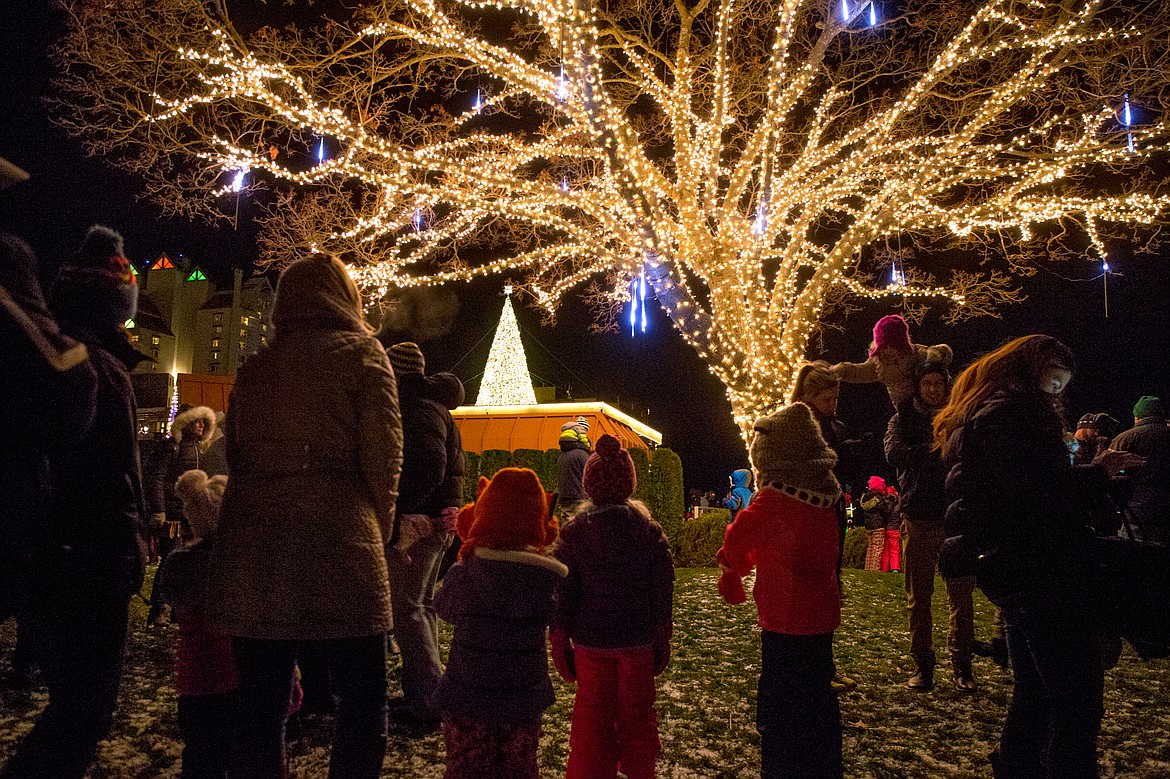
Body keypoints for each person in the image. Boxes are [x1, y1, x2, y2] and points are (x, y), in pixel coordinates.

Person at [206, 255, 403, 779]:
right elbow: (384, 457)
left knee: (260, 706)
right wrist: (374, 530)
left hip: (256, 540)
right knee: (362, 699)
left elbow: (237, 454)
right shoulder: (364, 355)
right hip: (339, 536)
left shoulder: (257, 367)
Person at [935, 335, 1143, 778]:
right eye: (1052, 381)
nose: (1057, 393)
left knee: (1036, 690)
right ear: (1032, 373)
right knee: (1077, 699)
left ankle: (1016, 767)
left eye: (1062, 384)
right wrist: (1098, 475)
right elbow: (1037, 495)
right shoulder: (1014, 414)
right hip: (1041, 568)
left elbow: (1027, 487)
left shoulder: (989, 411)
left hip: (1016, 567)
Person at [2, 226, 150, 779]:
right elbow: (105, 477)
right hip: (86, 559)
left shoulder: (62, 360)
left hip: (61, 555)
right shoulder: (93, 370)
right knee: (83, 710)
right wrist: (126, 544)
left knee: (74, 705)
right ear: (118, 304)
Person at [717, 402, 844, 779]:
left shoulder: (773, 499)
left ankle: (783, 764)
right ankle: (824, 763)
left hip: (784, 617)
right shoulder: (826, 496)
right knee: (819, 695)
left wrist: (732, 567)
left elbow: (738, 536)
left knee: (780, 698)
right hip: (821, 615)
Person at [551, 434, 674, 779]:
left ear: (589, 485)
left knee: (592, 716)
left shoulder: (574, 534)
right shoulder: (649, 534)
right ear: (629, 483)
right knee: (638, 717)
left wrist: (559, 637)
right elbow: (661, 593)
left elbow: (564, 591)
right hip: (637, 642)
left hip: (591, 644)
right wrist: (661, 637)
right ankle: (640, 770)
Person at [434, 467, 566, 778]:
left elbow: (443, 609)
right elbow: (556, 616)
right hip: (523, 697)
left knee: (466, 766)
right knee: (518, 766)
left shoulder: (465, 573)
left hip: (468, 693)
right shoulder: (545, 581)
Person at [382, 341, 466, 731]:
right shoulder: (432, 406)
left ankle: (430, 701)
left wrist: (401, 510)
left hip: (424, 524)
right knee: (421, 606)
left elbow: (429, 464)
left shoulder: (416, 408)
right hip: (438, 520)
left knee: (407, 610)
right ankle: (428, 694)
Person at [885, 361, 977, 692]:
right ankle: (923, 665)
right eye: (928, 384)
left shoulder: (958, 418)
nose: (934, 389)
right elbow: (894, 452)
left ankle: (962, 665)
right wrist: (928, 449)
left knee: (961, 596)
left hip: (955, 516)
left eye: (939, 383)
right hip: (919, 517)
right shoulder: (903, 419)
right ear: (918, 386)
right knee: (919, 598)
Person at [157, 469, 237, 779]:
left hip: (194, 680)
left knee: (201, 756)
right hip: (234, 675)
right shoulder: (237, 563)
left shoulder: (181, 565)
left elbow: (172, 597)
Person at [146, 404, 218, 627]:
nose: (200, 425)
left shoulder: (202, 449)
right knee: (169, 561)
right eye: (196, 421)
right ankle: (159, 609)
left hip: (191, 516)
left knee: (188, 563)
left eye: (203, 422)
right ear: (185, 424)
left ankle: (180, 611)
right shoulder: (171, 448)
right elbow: (156, 477)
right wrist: (159, 511)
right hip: (173, 515)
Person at [830, 313, 953, 408]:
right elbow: (858, 372)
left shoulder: (915, 354)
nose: (889, 349)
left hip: (933, 403)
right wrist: (839, 371)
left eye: (893, 345)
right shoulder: (879, 364)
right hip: (906, 410)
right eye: (885, 345)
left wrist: (935, 357)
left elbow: (941, 352)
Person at [1109, 396, 1169, 545]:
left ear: (1137, 417)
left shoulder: (1125, 439)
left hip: (1136, 515)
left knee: (1133, 560)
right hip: (1165, 514)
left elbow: (1108, 475)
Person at [556, 416, 592, 516]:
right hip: (579, 498)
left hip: (564, 497)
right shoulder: (582, 454)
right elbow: (590, 477)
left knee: (566, 526)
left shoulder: (562, 456)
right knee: (581, 527)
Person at [859, 476, 892, 572]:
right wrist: (889, 502)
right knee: (877, 549)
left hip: (868, 526)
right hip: (878, 526)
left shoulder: (865, 498)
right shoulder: (878, 498)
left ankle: (868, 568)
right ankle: (875, 569)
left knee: (870, 548)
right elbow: (886, 511)